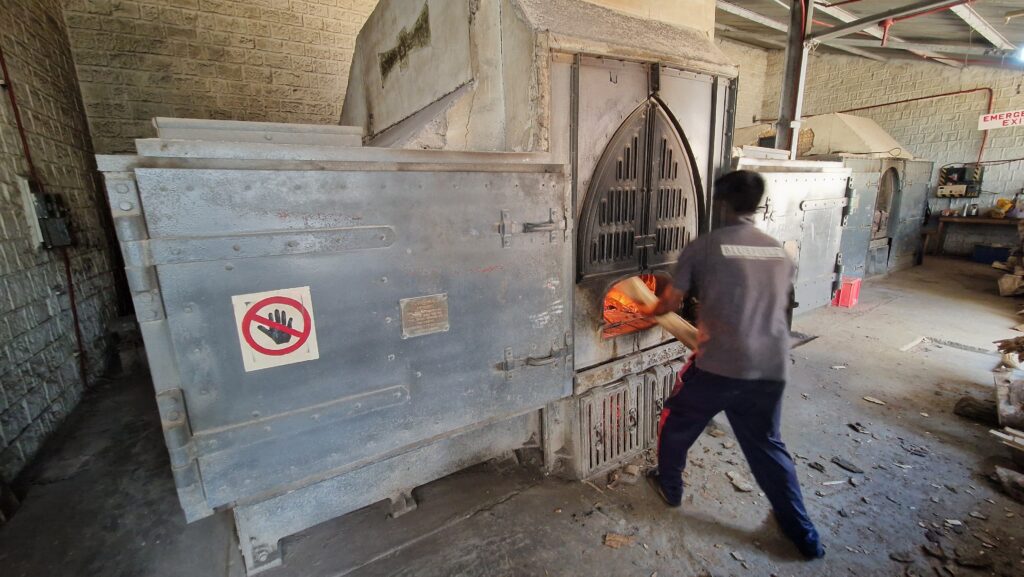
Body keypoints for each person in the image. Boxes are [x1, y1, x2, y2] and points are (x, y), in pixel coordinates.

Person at [643, 170, 824, 559]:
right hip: (771, 366)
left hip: (720, 367)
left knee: (675, 422)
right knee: (767, 445)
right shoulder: (778, 252)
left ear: (721, 203)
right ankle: (804, 534)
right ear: (756, 205)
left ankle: (669, 487)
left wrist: (648, 308)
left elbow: (670, 302)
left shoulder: (705, 247)